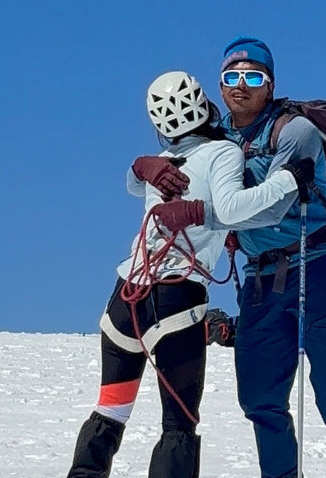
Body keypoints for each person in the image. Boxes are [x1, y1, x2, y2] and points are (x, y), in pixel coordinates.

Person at [67, 71, 313, 478]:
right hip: (176, 301)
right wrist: (288, 179)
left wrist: (140, 165)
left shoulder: (161, 163)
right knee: (178, 424)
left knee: (111, 409)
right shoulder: (223, 152)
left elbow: (133, 185)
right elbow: (231, 209)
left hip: (125, 298)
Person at [217, 36, 326, 478]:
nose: (241, 85)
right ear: (220, 84)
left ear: (270, 86)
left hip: (318, 265)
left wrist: (204, 213)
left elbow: (270, 207)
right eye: (232, 76)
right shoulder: (216, 140)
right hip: (261, 277)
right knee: (260, 397)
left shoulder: (296, 131)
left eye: (253, 77)